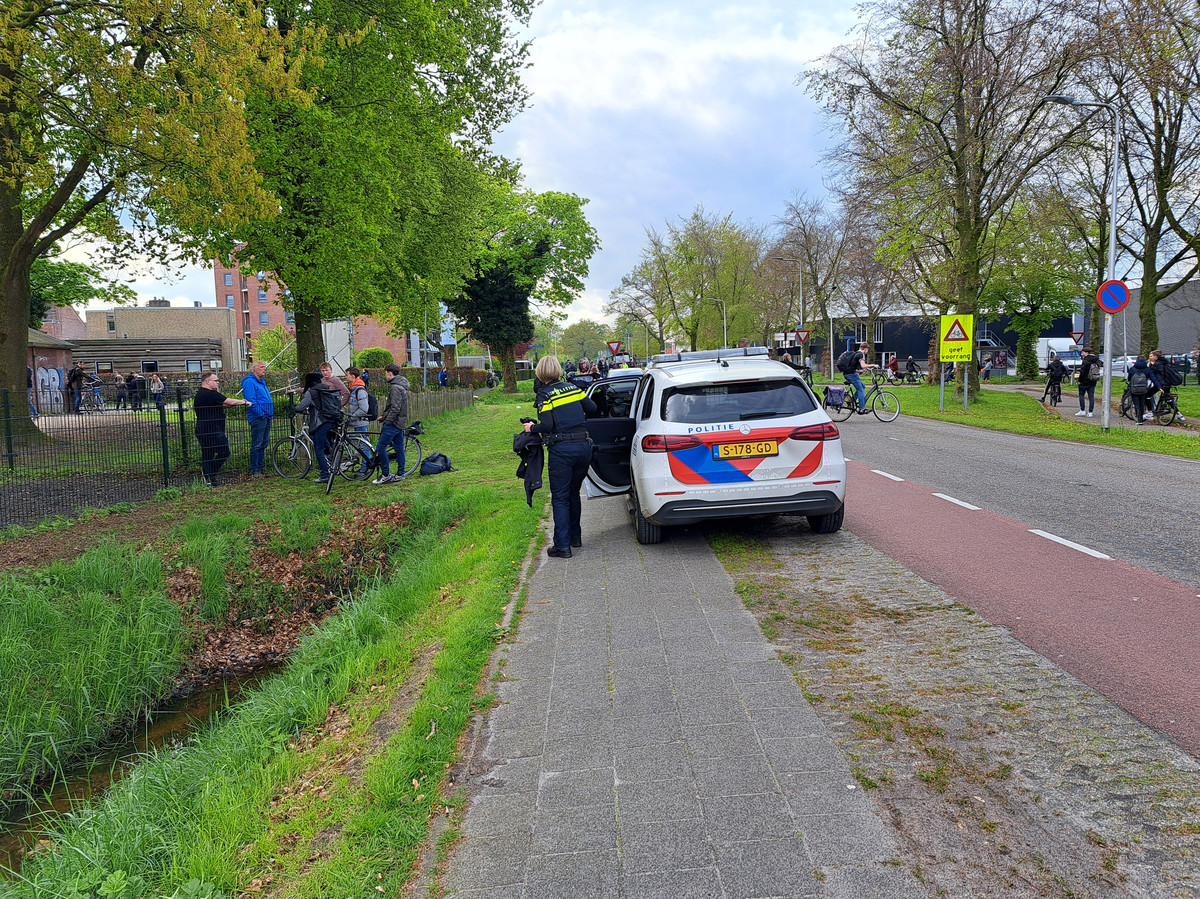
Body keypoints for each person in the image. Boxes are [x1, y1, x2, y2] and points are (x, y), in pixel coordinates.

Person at [522, 356, 597, 559]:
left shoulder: (544, 395)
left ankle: (562, 546)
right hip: (584, 448)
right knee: (573, 493)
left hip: (562, 451)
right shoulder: (573, 388)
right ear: (557, 370)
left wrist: (531, 427)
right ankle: (575, 537)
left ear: (539, 373)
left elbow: (545, 425)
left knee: (561, 497)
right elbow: (592, 408)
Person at [194, 371, 250, 486]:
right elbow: (230, 401)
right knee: (224, 452)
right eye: (216, 381)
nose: (218, 383)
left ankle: (210, 479)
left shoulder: (201, 394)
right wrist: (244, 402)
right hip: (212, 430)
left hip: (202, 428)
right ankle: (210, 474)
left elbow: (222, 405)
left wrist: (233, 404)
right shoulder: (210, 394)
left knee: (208, 453)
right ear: (208, 382)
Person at [294, 370, 342, 483]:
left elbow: (301, 407)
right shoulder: (327, 388)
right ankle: (331, 456)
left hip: (320, 422)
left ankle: (324, 475)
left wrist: (293, 408)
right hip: (331, 420)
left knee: (318, 448)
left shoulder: (311, 392)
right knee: (324, 441)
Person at [372, 363, 410, 484]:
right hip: (400, 422)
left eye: (386, 374)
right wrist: (384, 416)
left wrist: (387, 421)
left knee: (381, 447)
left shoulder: (395, 388)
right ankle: (400, 474)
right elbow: (393, 407)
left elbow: (395, 408)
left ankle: (386, 474)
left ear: (389, 373)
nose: (385, 376)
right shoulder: (401, 385)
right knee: (399, 448)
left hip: (394, 423)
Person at [241, 361, 274, 477]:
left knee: (264, 442)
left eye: (264, 367)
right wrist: (261, 414)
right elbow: (251, 401)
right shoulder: (250, 382)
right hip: (258, 417)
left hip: (266, 415)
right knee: (257, 443)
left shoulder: (261, 382)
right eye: (261, 367)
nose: (264, 369)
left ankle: (261, 466)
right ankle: (255, 469)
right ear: (254, 369)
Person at [1148, 349, 1185, 421]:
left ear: (1156, 357)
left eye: (1151, 356)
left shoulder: (1157, 364)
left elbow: (1150, 373)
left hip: (1160, 385)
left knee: (1147, 396)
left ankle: (1150, 413)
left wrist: (1151, 364)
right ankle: (1179, 414)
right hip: (1167, 384)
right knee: (1168, 399)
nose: (1150, 358)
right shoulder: (1164, 363)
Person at [844, 343, 877, 414]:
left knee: (862, 386)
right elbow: (863, 365)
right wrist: (873, 365)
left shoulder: (855, 353)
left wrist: (858, 371)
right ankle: (862, 409)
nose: (867, 352)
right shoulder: (860, 355)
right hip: (851, 375)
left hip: (849, 373)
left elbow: (851, 366)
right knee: (861, 390)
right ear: (865, 349)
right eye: (867, 350)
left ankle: (851, 401)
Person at [1126, 356, 1160, 424]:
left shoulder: (1132, 369)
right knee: (1142, 403)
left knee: (1136, 404)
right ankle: (1141, 418)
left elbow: (1129, 378)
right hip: (1143, 389)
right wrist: (1159, 387)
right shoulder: (1147, 369)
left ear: (1136, 361)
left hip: (1134, 389)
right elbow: (1154, 379)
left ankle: (1138, 419)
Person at [1075, 346, 1100, 416]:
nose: (1081, 354)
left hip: (1084, 381)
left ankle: (1082, 410)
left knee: (1081, 395)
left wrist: (1079, 380)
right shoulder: (1095, 360)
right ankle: (1090, 412)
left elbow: (1082, 372)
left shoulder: (1085, 361)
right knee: (1091, 396)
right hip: (1093, 380)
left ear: (1086, 353)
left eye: (1082, 352)